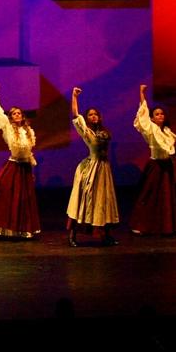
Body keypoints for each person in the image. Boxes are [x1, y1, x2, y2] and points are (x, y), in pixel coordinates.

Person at [0, 84, 41, 239]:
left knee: (24, 200)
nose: (17, 115)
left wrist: (31, 171)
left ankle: (22, 229)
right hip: (13, 165)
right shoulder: (7, 127)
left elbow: (29, 152)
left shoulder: (28, 131)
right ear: (11, 117)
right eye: (14, 113)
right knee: (4, 195)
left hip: (25, 167)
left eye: (19, 113)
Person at [66, 87, 119, 247]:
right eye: (90, 114)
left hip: (104, 169)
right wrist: (74, 97)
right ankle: (73, 235)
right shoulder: (86, 132)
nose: (93, 116)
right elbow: (75, 115)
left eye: (95, 114)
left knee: (105, 201)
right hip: (92, 168)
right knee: (84, 200)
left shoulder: (104, 132)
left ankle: (106, 235)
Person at [129, 84, 176, 235]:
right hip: (156, 165)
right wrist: (142, 93)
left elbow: (169, 148)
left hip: (166, 166)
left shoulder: (167, 131)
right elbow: (143, 116)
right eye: (157, 114)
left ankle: (167, 226)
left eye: (162, 114)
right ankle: (142, 225)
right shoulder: (151, 129)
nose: (160, 116)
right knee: (150, 195)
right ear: (152, 117)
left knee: (166, 196)